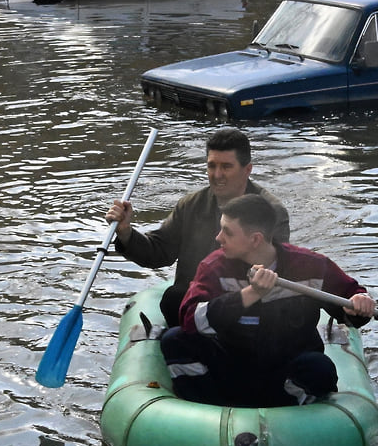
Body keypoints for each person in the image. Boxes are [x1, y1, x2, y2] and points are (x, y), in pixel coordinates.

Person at [161, 194, 375, 408]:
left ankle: (290, 416)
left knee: (319, 368)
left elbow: (349, 299)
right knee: (174, 340)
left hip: (284, 371)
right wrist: (249, 295)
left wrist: (360, 302)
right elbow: (189, 319)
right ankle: (209, 411)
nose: (218, 237)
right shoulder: (214, 267)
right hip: (230, 366)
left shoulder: (311, 265)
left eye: (227, 231)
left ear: (255, 239)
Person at [107, 128, 290, 327]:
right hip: (195, 301)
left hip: (246, 304)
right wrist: (126, 232)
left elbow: (275, 270)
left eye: (226, 167)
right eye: (212, 166)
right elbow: (159, 252)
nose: (217, 175)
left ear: (247, 169)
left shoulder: (272, 213)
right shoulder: (190, 205)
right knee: (174, 298)